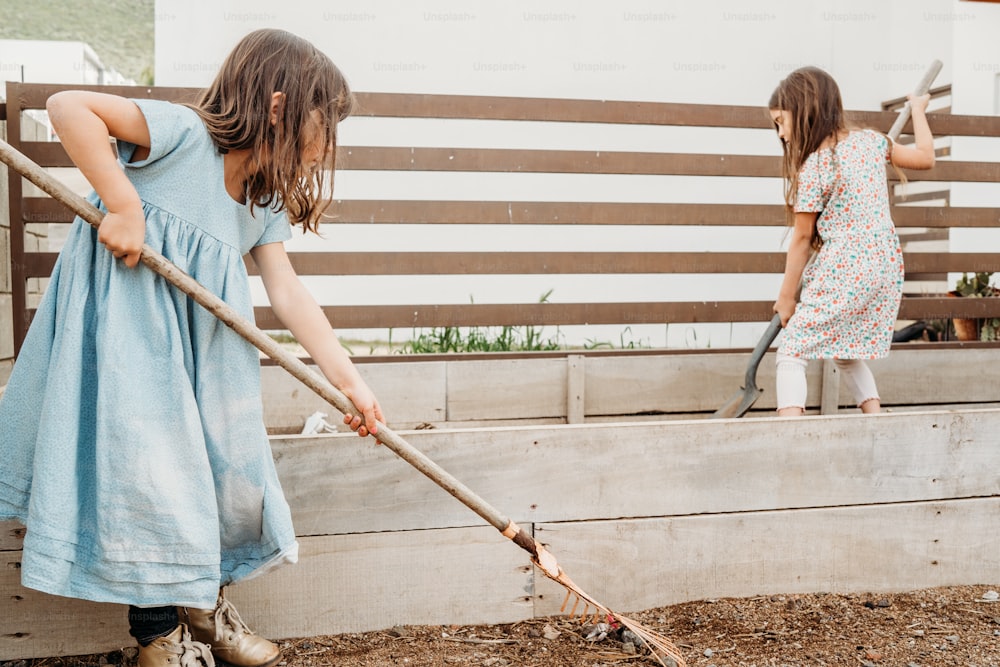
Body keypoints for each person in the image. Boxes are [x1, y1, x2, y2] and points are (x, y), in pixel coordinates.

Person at [0, 29, 384, 667]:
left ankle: (206, 608)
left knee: (222, 473)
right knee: (150, 482)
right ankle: (159, 636)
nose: (327, 144)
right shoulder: (180, 136)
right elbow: (70, 106)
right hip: (132, 350)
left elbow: (288, 293)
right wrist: (123, 203)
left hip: (203, 360)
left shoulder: (259, 199)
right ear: (281, 107)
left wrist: (350, 381)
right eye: (326, 123)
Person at [768, 66, 935, 417]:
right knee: (846, 353)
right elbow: (926, 158)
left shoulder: (815, 165)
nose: (781, 134)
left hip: (846, 269)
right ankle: (877, 421)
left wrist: (786, 298)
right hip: (884, 268)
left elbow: (802, 238)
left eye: (781, 122)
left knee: (792, 351)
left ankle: (789, 437)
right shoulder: (872, 142)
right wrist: (918, 111)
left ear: (805, 111)